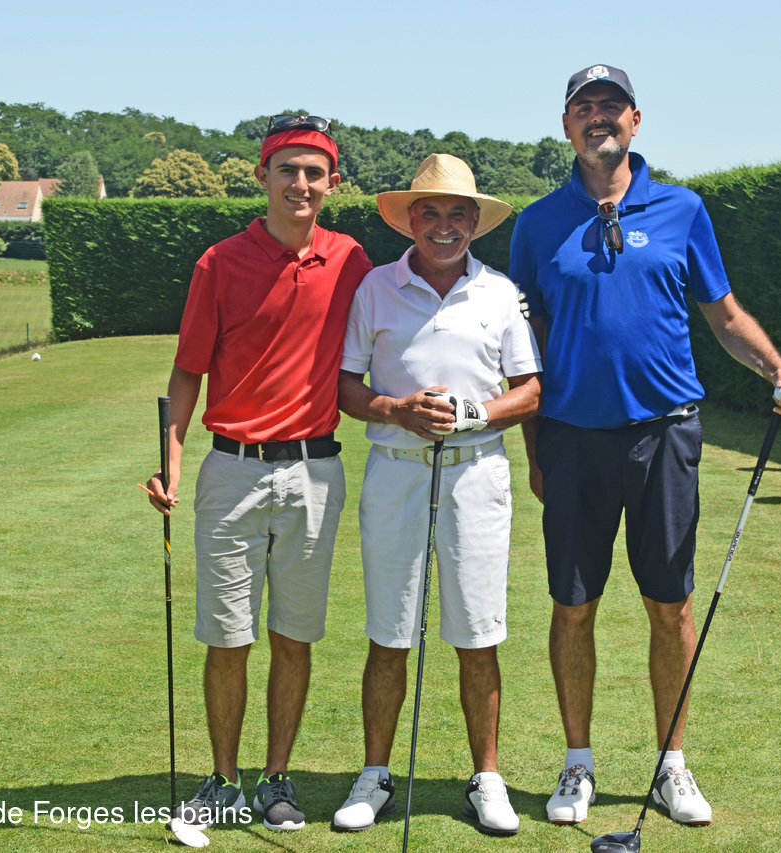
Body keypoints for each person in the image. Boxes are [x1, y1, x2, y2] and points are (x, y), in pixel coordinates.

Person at [509, 64, 781, 828]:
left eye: (611, 106)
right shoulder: (537, 224)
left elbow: (724, 313)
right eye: (584, 107)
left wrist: (777, 369)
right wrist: (535, 450)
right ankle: (577, 762)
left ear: (635, 121)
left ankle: (671, 762)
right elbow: (525, 347)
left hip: (666, 433)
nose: (598, 118)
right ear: (566, 124)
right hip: (573, 438)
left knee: (670, 605)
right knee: (573, 605)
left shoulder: (683, 209)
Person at [142, 116, 373, 833]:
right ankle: (223, 778)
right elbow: (188, 371)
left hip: (315, 472)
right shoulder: (219, 262)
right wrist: (170, 463)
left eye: (314, 173)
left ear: (332, 183)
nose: (300, 184)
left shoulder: (352, 260)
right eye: (287, 170)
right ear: (262, 176)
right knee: (227, 636)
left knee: (294, 637)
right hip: (232, 471)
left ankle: (277, 778)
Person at [334, 153, 542, 835]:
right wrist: (396, 409)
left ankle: (487, 778)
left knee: (478, 632)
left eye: (459, 214)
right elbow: (346, 386)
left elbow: (530, 390)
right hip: (395, 469)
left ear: (475, 223)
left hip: (476, 474)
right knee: (389, 631)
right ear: (410, 219)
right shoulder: (375, 287)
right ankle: (374, 774)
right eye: (432, 213)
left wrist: (474, 414)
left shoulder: (499, 291)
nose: (445, 226)